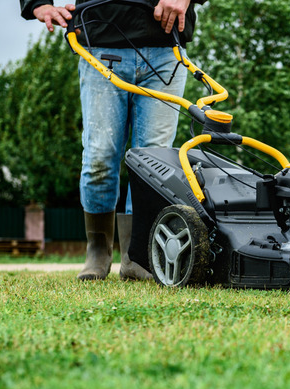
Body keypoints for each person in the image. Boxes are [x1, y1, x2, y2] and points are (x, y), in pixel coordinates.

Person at [20, 0, 206, 280]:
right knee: (99, 156)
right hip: (100, 42)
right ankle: (97, 250)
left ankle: (137, 256)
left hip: (165, 49)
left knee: (152, 163)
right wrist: (37, 4)